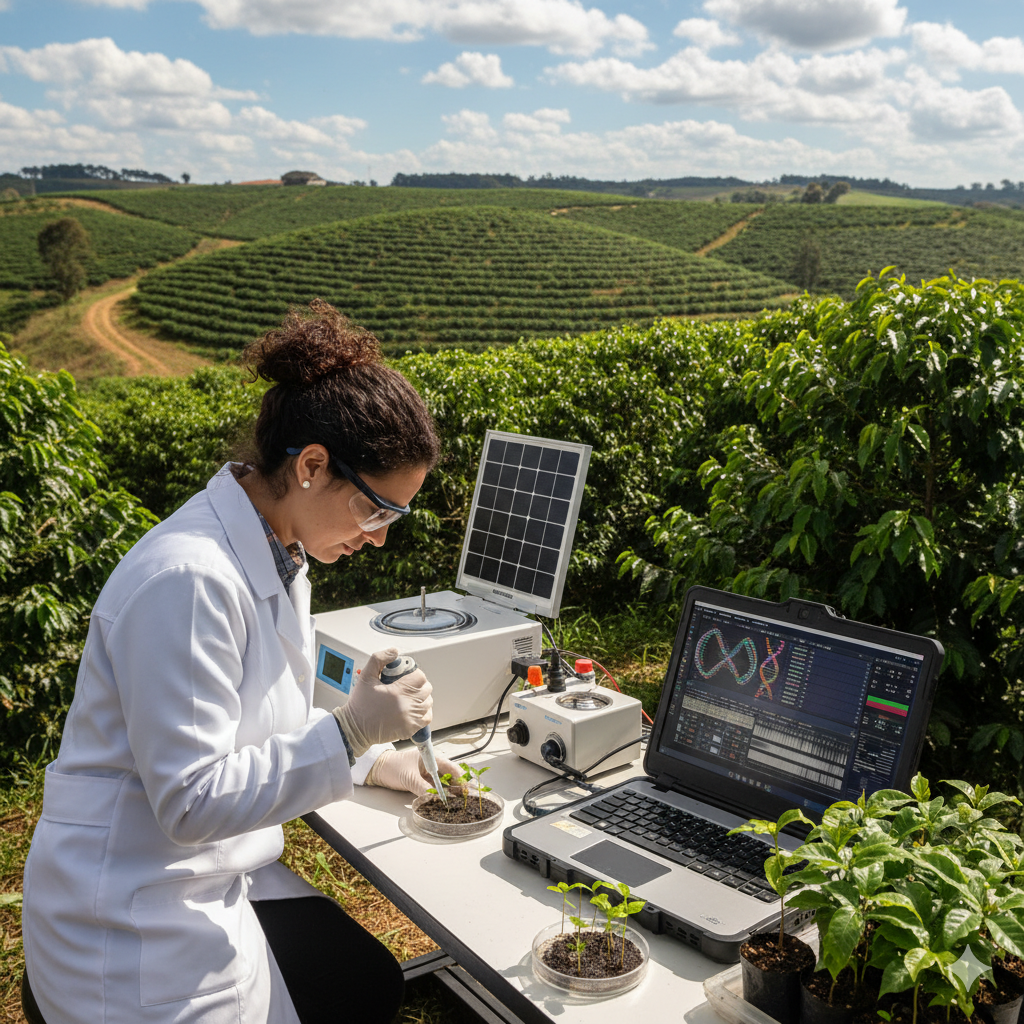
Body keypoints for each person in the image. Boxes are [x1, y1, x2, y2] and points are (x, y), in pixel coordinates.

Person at [22, 300, 464, 1024]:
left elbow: (247, 725)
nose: (380, 539)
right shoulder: (189, 579)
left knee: (364, 981)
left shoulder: (278, 553)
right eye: (378, 510)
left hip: (202, 879)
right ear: (314, 467)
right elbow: (193, 798)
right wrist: (351, 732)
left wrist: (370, 760)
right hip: (134, 926)